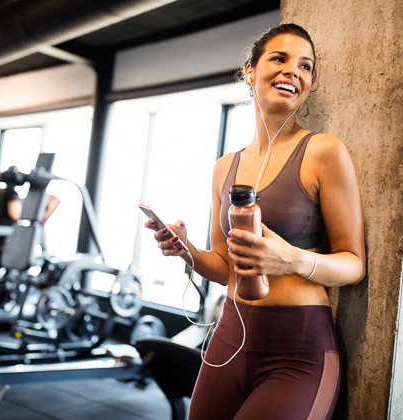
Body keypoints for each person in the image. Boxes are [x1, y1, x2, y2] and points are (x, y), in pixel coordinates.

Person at [144, 24, 365, 419]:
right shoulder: (224, 167)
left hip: (298, 349)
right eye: (279, 59)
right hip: (229, 336)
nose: (293, 72)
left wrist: (293, 260)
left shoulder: (323, 151)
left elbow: (353, 263)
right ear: (250, 71)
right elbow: (222, 266)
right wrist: (185, 249)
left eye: (305, 66)